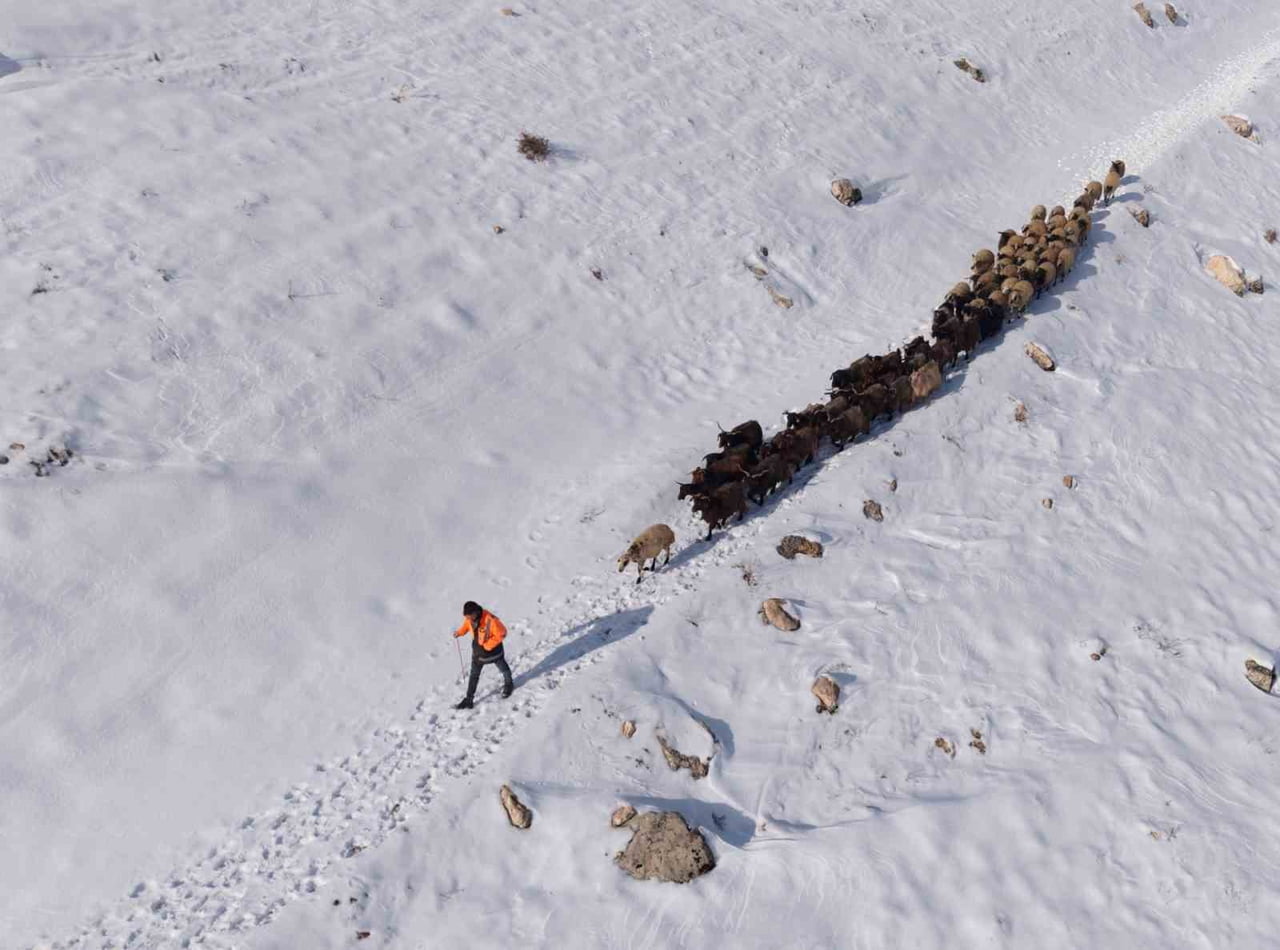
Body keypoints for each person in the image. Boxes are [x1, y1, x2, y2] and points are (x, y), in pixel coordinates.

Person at [453, 601, 515, 709]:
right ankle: (469, 699)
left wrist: (488, 646)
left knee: (503, 669)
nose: (468, 618)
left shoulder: (490, 620)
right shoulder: (470, 619)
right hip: (478, 654)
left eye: (469, 616)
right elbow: (466, 626)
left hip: (494, 652)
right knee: (473, 676)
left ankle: (509, 684)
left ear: (475, 612)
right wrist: (459, 632)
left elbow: (502, 633)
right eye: (466, 616)